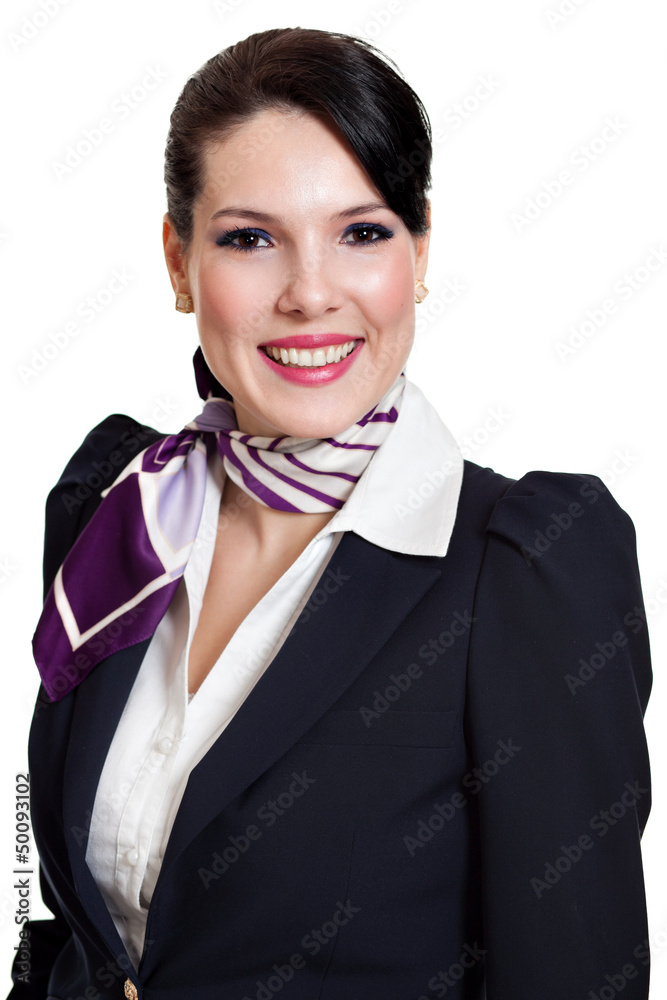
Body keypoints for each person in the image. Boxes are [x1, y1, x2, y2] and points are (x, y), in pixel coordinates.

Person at [8, 26, 651, 1000]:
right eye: (249, 238)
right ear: (179, 262)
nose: (310, 294)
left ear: (420, 248)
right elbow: (69, 932)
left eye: (361, 233)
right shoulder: (118, 510)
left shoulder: (524, 568)